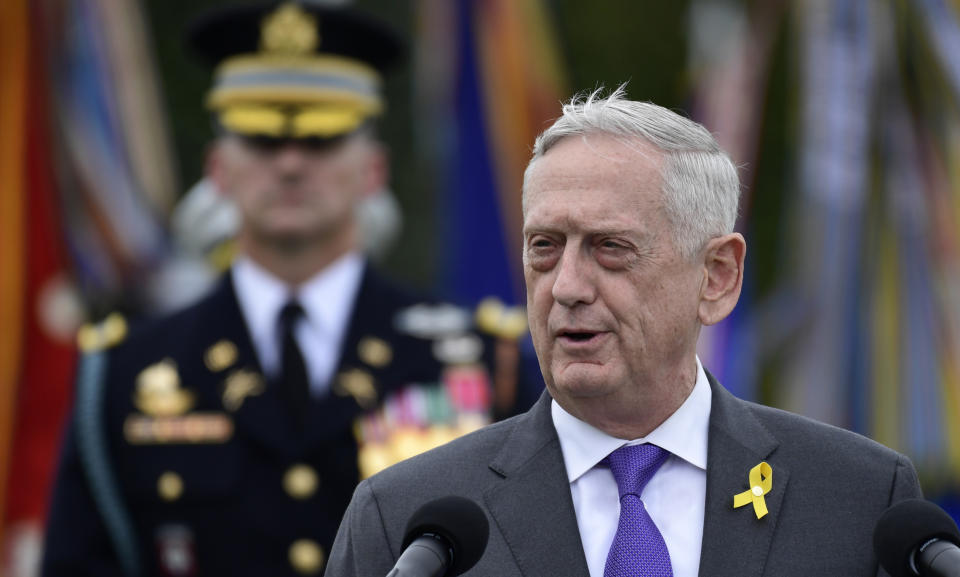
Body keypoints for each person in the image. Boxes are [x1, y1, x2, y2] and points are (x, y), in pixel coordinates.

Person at [326, 87, 924, 577]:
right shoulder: (407, 520)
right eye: (544, 248)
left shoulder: (860, 498)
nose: (566, 287)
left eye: (611, 248)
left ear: (716, 276)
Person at [41, 3, 532, 576]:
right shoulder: (124, 373)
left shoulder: (477, 361)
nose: (292, 164)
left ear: (373, 168)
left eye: (322, 139)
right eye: (262, 139)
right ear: (218, 168)